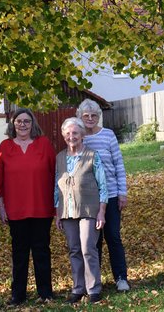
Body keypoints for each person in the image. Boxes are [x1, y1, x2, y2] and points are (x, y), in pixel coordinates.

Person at [0, 108, 56, 306]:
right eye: (18, 121)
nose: (22, 124)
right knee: (19, 253)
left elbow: (55, 175)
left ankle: (45, 292)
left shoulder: (44, 144)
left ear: (33, 124)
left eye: (26, 121)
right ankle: (18, 294)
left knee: (41, 251)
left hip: (41, 206)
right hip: (16, 209)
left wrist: (58, 204)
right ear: (12, 124)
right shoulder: (5, 146)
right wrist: (1, 207)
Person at [77, 99, 130, 292]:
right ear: (80, 117)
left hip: (112, 195)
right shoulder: (79, 138)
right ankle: (94, 281)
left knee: (113, 237)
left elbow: (119, 165)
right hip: (90, 198)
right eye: (86, 116)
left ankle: (121, 278)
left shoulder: (108, 135)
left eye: (94, 116)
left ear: (99, 116)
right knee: (92, 242)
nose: (90, 119)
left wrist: (122, 193)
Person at [55, 117, 108, 304]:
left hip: (89, 209)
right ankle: (78, 288)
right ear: (63, 136)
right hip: (67, 211)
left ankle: (94, 288)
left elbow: (103, 185)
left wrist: (101, 211)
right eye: (68, 133)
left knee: (87, 248)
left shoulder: (92, 155)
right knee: (74, 249)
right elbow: (57, 187)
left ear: (82, 135)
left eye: (75, 133)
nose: (71, 136)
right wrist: (57, 212)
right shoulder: (60, 157)